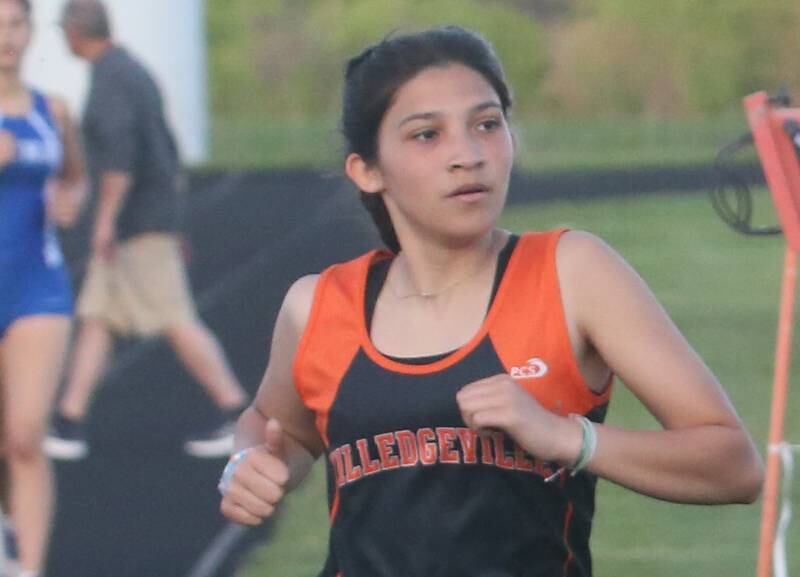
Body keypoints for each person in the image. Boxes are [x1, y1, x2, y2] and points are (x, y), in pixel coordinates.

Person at [217, 26, 764, 576]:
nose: (469, 155)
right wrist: (252, 462)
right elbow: (276, 427)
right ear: (367, 170)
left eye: (487, 124)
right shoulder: (317, 306)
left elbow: (733, 466)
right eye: (427, 135)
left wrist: (569, 437)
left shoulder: (571, 274)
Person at [44, 0, 248, 461]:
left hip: (135, 226)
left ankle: (240, 415)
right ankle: (68, 421)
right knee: (97, 317)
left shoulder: (112, 80)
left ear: (75, 33)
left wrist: (104, 223)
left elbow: (120, 161)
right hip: (148, 219)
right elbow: (164, 149)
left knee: (175, 318)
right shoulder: (131, 71)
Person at [0, 0, 85, 573]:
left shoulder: (52, 110)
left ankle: (28, 568)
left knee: (26, 437)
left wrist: (67, 205)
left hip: (37, 287)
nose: (6, 37)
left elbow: (74, 179)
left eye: (15, 24)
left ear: (31, 31)